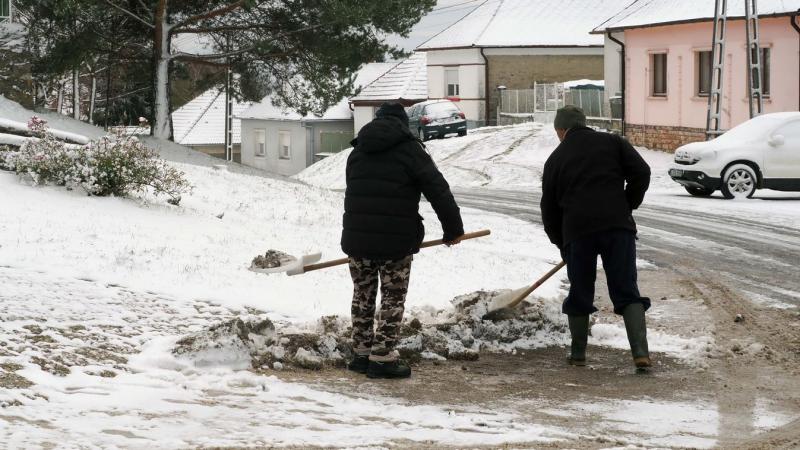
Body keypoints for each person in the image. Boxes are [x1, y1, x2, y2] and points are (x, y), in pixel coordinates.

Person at [341, 102, 464, 379]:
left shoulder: (357, 151)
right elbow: (438, 190)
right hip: (395, 242)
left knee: (362, 295)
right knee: (392, 298)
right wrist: (453, 230)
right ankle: (382, 357)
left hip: (357, 239)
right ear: (402, 124)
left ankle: (361, 353)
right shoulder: (411, 150)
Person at [541, 105, 652, 369]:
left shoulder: (555, 159)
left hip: (578, 233)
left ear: (561, 130)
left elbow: (549, 209)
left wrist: (561, 243)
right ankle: (640, 354)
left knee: (580, 291)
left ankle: (578, 355)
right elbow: (642, 172)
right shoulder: (613, 142)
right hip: (618, 228)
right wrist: (627, 204)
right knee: (626, 289)